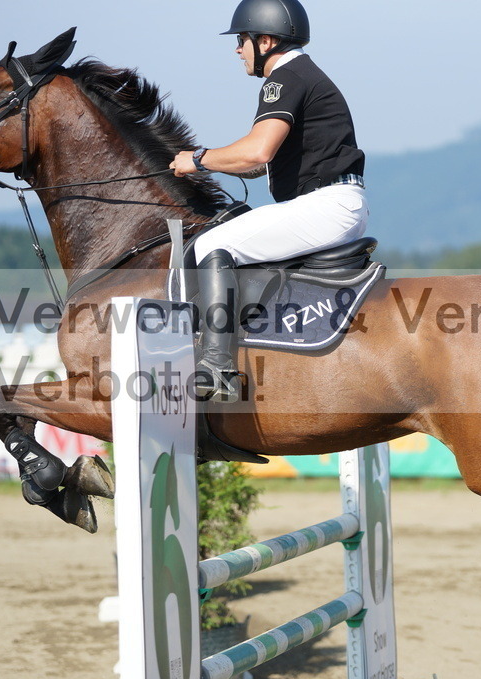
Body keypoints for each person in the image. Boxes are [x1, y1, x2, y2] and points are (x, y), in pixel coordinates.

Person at [170, 0, 368, 402]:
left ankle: (216, 367)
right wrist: (211, 165)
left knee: (212, 244)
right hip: (334, 202)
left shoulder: (284, 78)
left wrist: (197, 159)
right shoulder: (302, 75)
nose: (237, 50)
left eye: (241, 41)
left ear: (265, 40)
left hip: (326, 205)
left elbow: (256, 153)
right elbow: (261, 165)